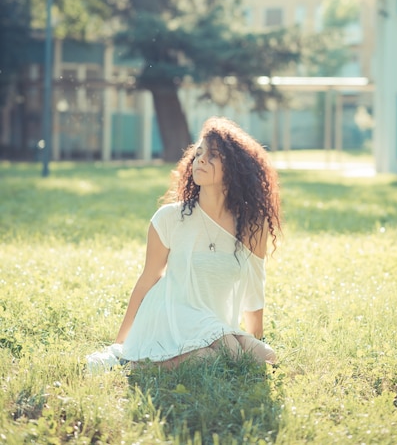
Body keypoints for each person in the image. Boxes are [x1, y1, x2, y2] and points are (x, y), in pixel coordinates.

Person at [87, 116, 281, 371]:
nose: (200, 160)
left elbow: (254, 288)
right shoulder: (169, 218)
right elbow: (148, 280)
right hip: (170, 314)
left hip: (214, 325)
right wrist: (122, 342)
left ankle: (197, 355)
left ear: (234, 168)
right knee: (217, 356)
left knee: (266, 356)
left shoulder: (252, 226)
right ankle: (131, 364)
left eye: (212, 155)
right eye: (199, 153)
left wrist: (254, 338)